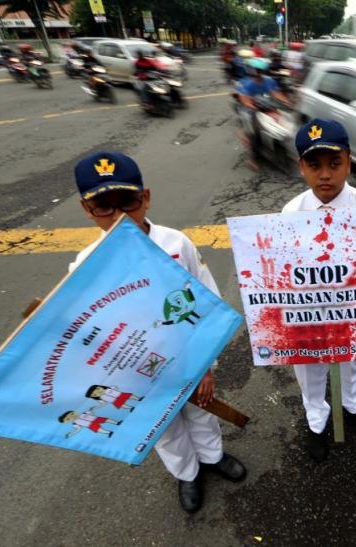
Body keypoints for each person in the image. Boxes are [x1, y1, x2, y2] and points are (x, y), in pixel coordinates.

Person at [69, 151, 246, 513]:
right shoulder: (84, 266)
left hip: (188, 360)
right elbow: (91, 333)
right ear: (87, 209)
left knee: (202, 410)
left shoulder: (177, 245)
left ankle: (211, 457)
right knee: (165, 428)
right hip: (136, 371)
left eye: (128, 202)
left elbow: (208, 303)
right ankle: (187, 472)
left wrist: (205, 366)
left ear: (145, 198)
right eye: (104, 206)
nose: (119, 217)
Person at [281, 119, 356, 462]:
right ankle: (316, 421)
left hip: (352, 309)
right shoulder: (289, 214)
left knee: (349, 362)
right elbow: (281, 275)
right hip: (309, 312)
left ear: (349, 162)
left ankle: (352, 406)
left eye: (334, 164)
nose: (325, 174)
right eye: (315, 165)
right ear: (302, 167)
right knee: (310, 369)